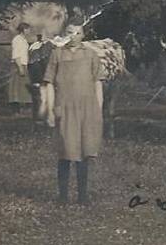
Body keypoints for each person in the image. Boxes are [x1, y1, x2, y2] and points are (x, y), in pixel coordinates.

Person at [42, 23, 105, 205]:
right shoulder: (57, 54)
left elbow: (98, 84)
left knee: (84, 152)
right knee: (66, 151)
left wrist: (98, 110)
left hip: (87, 109)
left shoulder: (91, 55)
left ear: (83, 34)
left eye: (78, 32)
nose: (74, 36)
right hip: (65, 108)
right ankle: (62, 197)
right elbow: (49, 84)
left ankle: (82, 197)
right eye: (70, 32)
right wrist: (51, 110)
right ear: (64, 34)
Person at [8, 23, 36, 113]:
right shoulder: (17, 39)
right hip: (18, 65)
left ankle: (23, 109)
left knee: (23, 88)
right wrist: (20, 67)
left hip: (24, 65)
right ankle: (15, 110)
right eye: (28, 29)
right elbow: (16, 55)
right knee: (16, 88)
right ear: (23, 29)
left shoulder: (23, 40)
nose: (29, 31)